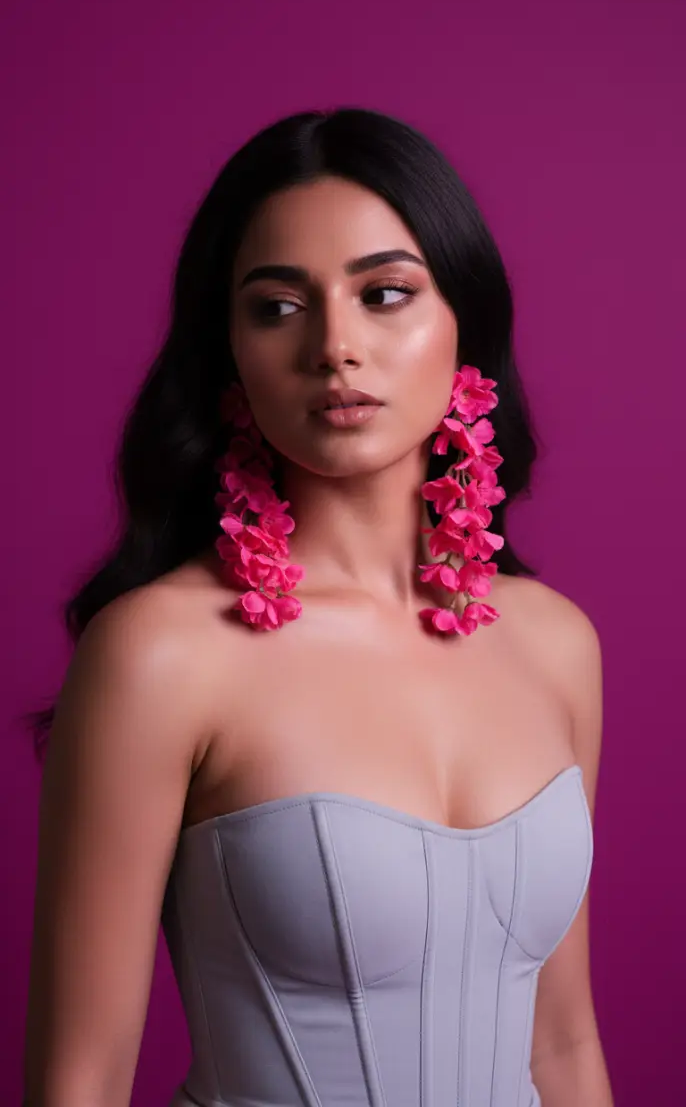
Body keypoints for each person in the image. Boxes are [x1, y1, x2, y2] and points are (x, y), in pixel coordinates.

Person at [22, 106, 613, 1106]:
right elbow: (77, 1081)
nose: (334, 346)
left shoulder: (553, 643)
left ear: (463, 322)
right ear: (230, 356)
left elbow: (558, 1046)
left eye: (384, 294)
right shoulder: (159, 655)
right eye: (277, 307)